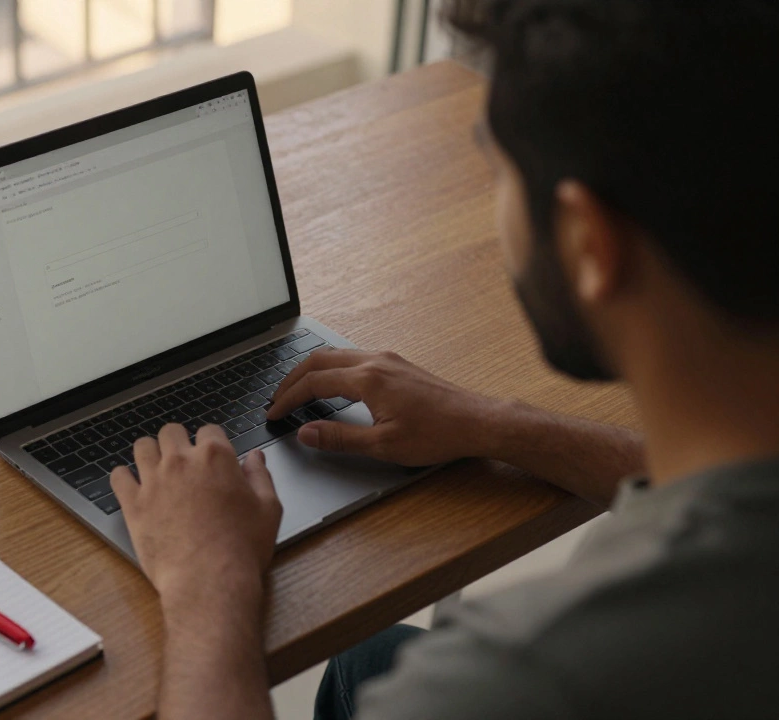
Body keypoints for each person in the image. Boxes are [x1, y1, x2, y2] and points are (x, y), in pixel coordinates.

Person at [108, 0, 779, 717]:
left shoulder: (516, 675)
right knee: (364, 660)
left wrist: (209, 583)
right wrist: (499, 426)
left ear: (589, 243)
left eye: (500, 171)